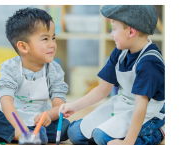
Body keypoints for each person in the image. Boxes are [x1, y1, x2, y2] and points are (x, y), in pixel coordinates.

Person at [59, 4, 165, 145]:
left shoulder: (149, 63)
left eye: (114, 29)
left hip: (148, 113)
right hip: (122, 104)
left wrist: (127, 141)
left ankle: (158, 132)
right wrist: (75, 106)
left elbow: (141, 106)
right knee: (75, 134)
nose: (111, 34)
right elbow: (103, 89)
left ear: (131, 32)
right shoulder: (120, 51)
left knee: (102, 137)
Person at [0, 7, 70, 144]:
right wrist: (18, 127)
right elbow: (6, 101)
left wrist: (48, 115)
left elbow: (59, 105)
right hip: (11, 117)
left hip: (39, 119)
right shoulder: (10, 68)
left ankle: (6, 134)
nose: (52, 45)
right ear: (23, 47)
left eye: (53, 38)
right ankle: (23, 134)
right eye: (45, 39)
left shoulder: (55, 70)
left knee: (65, 127)